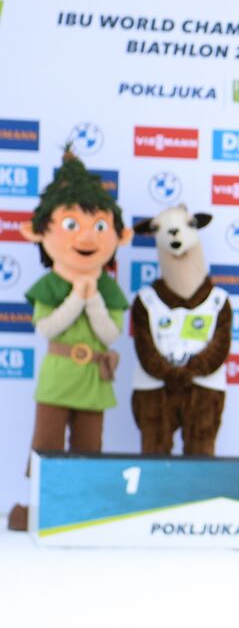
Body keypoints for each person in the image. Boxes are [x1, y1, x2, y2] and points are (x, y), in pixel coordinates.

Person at [7, 148, 132, 532]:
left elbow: (111, 334)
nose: (85, 237)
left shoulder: (107, 290)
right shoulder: (49, 286)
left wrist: (92, 297)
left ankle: (84, 509)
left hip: (94, 380)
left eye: (98, 226)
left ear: (117, 235)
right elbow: (47, 328)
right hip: (58, 376)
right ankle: (39, 506)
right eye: (71, 224)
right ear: (42, 231)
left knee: (88, 446)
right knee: (45, 443)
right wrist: (75, 297)